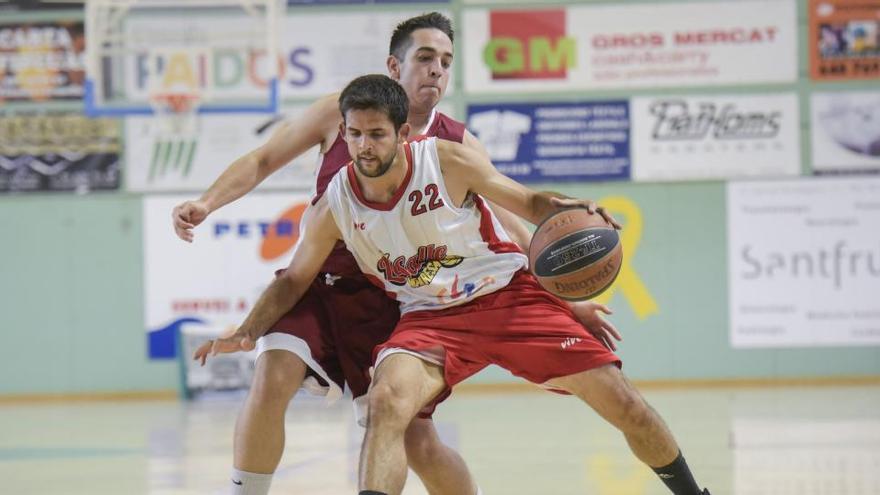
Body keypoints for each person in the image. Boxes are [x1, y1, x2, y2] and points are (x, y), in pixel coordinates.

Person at [197, 74, 711, 495]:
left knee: (627, 407)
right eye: (354, 133)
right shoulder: (335, 204)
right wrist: (247, 330)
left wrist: (572, 208)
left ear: (403, 134)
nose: (363, 145)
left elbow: (529, 204)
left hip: (508, 296)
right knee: (385, 404)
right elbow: (293, 281)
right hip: (428, 317)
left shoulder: (445, 160)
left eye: (376, 134)